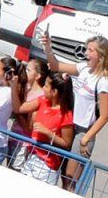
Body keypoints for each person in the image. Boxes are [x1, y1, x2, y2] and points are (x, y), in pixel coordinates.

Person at [43, 29, 108, 186]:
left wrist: (86, 138)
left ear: (101, 56)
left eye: (90, 50)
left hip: (84, 132)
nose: (86, 53)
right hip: (69, 126)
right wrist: (48, 47)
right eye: (87, 49)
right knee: (62, 172)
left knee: (70, 180)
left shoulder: (103, 81)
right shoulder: (83, 68)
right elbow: (55, 66)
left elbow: (105, 116)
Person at [16, 71, 75, 185]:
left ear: (54, 92)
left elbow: (66, 143)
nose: (43, 88)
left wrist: (48, 133)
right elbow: (19, 108)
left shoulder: (66, 115)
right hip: (32, 156)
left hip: (47, 165)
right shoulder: (43, 100)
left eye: (46, 86)